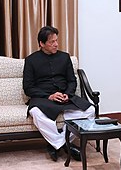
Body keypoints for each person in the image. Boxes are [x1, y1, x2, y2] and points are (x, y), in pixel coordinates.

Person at [23, 26, 95, 162]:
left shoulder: (64, 57)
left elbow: (72, 81)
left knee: (90, 110)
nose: (56, 44)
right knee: (36, 113)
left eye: (56, 40)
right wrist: (48, 96)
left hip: (64, 96)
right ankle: (64, 144)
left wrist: (67, 93)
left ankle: (56, 143)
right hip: (43, 98)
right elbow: (28, 88)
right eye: (51, 42)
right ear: (41, 44)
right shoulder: (31, 60)